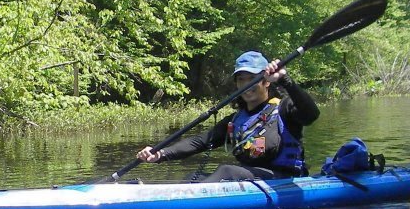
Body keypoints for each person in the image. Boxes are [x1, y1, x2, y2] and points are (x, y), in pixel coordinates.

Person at [137, 51, 320, 182]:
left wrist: (285, 81)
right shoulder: (236, 120)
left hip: (285, 181)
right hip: (251, 178)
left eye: (252, 78)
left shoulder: (284, 109)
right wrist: (160, 154)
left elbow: (312, 114)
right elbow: (199, 142)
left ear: (266, 82)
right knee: (193, 177)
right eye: (241, 79)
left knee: (227, 170)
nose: (246, 85)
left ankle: (177, 208)